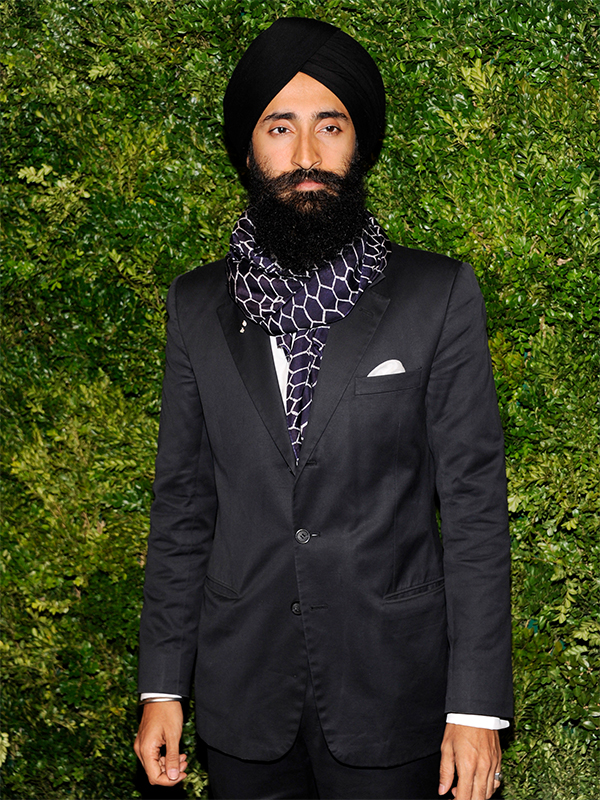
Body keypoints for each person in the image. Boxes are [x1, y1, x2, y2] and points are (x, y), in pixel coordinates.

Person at [134, 17, 512, 800]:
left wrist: (476, 704)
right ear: (248, 149)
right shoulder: (197, 305)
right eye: (280, 128)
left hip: (394, 692)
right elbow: (183, 507)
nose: (306, 155)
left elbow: (474, 506)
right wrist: (163, 684)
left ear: (358, 143)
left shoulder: (436, 294)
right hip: (242, 695)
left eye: (329, 126)